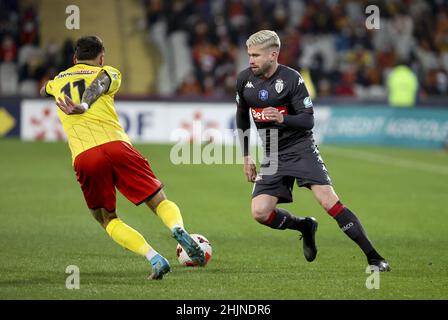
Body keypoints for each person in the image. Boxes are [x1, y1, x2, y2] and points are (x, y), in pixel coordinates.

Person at [40, 35, 205, 280]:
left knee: (107, 219)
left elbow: (44, 89)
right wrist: (86, 105)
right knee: (158, 200)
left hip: (86, 156)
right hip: (118, 146)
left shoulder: (58, 81)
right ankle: (177, 228)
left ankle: (154, 258)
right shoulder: (109, 72)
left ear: (75, 59)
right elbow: (101, 82)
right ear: (101, 58)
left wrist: (52, 89)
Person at [235, 30, 390, 271]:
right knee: (260, 212)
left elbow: (308, 121)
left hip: (300, 148)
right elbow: (242, 117)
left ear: (273, 55)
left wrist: (283, 119)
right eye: (249, 55)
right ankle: (305, 226)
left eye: (255, 55)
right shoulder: (244, 80)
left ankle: (374, 257)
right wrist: (246, 155)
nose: (251, 60)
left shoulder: (292, 80)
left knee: (329, 201)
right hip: (272, 153)